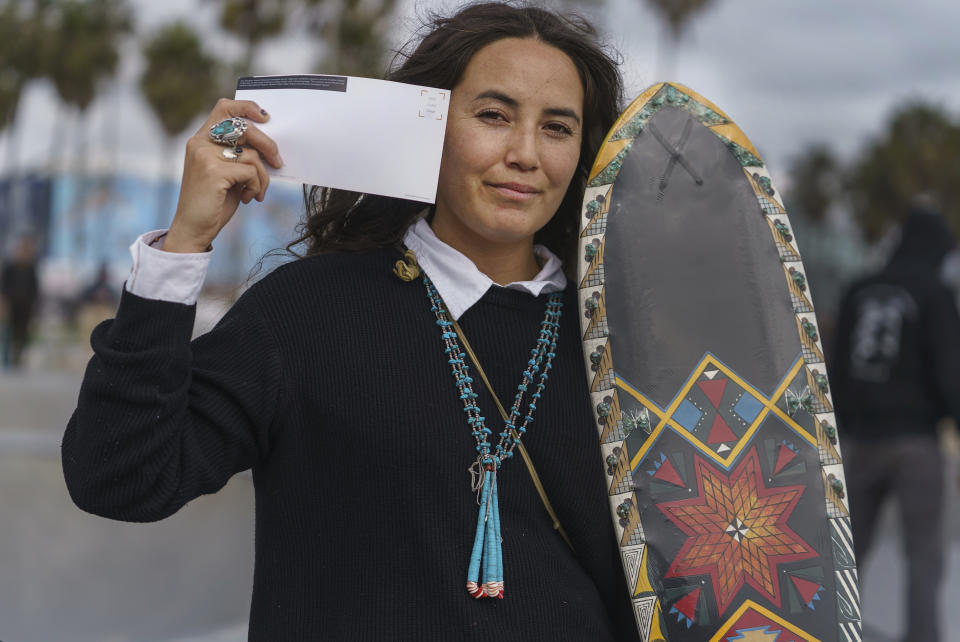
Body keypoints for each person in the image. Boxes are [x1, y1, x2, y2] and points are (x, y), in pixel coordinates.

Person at [62, 4, 640, 640]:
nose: (525, 154)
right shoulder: (307, 312)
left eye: (557, 128)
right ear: (430, 127)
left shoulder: (623, 338)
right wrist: (184, 245)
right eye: (493, 116)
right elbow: (120, 477)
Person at [831, 203, 960, 642]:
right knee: (924, 560)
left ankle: (826, 631)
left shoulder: (857, 288)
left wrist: (844, 425)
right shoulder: (935, 293)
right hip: (916, 446)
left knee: (843, 556)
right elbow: (951, 373)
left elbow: (834, 367)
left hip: (860, 441)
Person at [1, 235, 40, 369]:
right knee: (8, 331)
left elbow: (35, 289)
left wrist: (35, 305)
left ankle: (18, 358)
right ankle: (6, 360)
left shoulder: (31, 268)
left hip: (26, 307)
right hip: (11, 306)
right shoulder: (10, 267)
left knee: (22, 333)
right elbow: (4, 287)